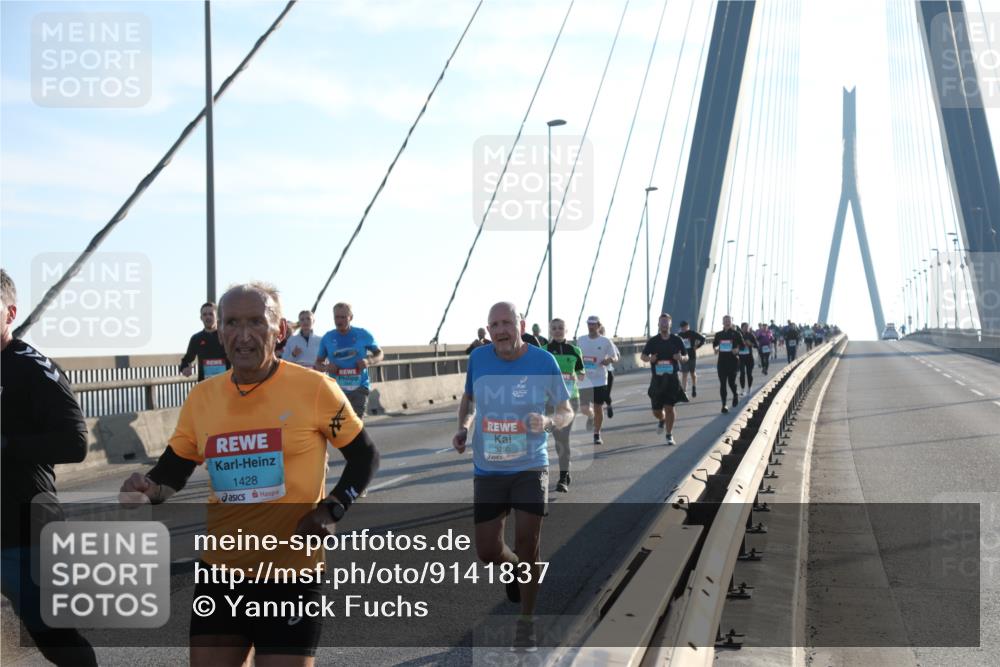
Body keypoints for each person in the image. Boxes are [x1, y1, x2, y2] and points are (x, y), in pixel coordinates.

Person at [120, 282, 379, 666]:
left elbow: (365, 457)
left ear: (281, 331)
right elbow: (173, 470)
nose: (243, 335)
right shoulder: (202, 399)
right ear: (220, 331)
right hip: (221, 575)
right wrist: (146, 488)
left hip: (291, 575)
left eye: (257, 322)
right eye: (232, 323)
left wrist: (332, 509)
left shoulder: (315, 389)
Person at [452, 302, 573, 651]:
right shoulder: (478, 359)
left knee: (528, 545)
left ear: (520, 324)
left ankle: (527, 623)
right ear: (487, 329)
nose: (501, 330)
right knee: (488, 551)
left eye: (507, 322)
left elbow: (565, 410)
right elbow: (470, 401)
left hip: (530, 465)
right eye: (494, 324)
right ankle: (516, 570)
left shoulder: (542, 361)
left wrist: (549, 422)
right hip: (488, 468)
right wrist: (463, 428)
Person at [0, 269, 98, 667]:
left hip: (25, 527)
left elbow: (75, 443)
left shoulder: (33, 368)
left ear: (10, 312)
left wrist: (6, 446)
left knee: (55, 640)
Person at [315, 302, 383, 418]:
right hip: (336, 389)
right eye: (336, 317)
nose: (339, 320)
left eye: (343, 317)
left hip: (359, 387)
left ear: (351, 318)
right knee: (339, 426)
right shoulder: (328, 337)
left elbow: (380, 354)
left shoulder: (363, 334)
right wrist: (326, 367)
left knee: (355, 424)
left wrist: (369, 361)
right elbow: (317, 364)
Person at [546, 319, 585, 493]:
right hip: (549, 401)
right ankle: (565, 472)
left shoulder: (575, 351)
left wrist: (576, 375)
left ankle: (563, 477)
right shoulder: (545, 351)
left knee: (563, 438)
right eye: (554, 328)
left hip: (570, 400)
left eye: (560, 328)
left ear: (566, 330)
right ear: (550, 331)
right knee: (557, 439)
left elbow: (581, 373)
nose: (557, 331)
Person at [640, 313, 688, 445]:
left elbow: (686, 356)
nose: (664, 325)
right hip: (657, 380)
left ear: (670, 324)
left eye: (666, 322)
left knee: (669, 407)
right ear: (658, 324)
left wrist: (681, 358)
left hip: (672, 378)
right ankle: (661, 419)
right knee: (656, 410)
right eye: (662, 322)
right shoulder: (653, 341)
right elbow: (643, 356)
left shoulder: (677, 340)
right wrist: (650, 359)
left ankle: (669, 434)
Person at [576, 315, 619, 445]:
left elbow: (616, 357)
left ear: (598, 326)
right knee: (584, 408)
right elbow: (577, 356)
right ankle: (590, 416)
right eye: (589, 324)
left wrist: (609, 360)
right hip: (584, 379)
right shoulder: (581, 340)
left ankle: (597, 433)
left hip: (600, 379)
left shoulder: (605, 341)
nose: (591, 326)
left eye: (593, 324)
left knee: (598, 407)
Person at [180, 302, 230, 381]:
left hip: (225, 384)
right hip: (204, 385)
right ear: (201, 318)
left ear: (217, 317)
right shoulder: (196, 338)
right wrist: (184, 368)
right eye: (205, 314)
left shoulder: (226, 336)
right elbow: (187, 359)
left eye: (211, 314)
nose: (208, 317)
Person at [713, 315, 744, 414]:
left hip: (733, 362)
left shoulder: (736, 334)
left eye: (728, 320)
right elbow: (715, 345)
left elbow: (743, 346)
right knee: (722, 384)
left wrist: (737, 350)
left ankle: (735, 394)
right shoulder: (719, 334)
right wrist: (716, 349)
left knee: (731, 383)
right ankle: (724, 405)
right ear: (722, 322)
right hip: (721, 362)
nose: (727, 322)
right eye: (725, 320)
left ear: (731, 322)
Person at [676, 320, 706, 397]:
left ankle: (694, 387)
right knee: (684, 374)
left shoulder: (692, 333)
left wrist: (697, 347)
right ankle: (684, 392)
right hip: (683, 357)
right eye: (682, 327)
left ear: (688, 326)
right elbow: (676, 345)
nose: (684, 328)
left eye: (685, 327)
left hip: (692, 356)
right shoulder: (679, 335)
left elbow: (703, 339)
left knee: (692, 373)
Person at [597, 325, 621, 417]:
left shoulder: (609, 343)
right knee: (594, 398)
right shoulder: (589, 343)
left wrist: (610, 360)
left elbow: (617, 356)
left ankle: (609, 405)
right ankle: (592, 415)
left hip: (608, 372)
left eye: (601, 332)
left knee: (605, 395)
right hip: (594, 374)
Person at [737, 322, 758, 394]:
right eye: (745, 327)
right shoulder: (738, 335)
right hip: (741, 357)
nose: (746, 328)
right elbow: (733, 344)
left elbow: (756, 345)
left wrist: (751, 344)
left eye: (747, 327)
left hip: (749, 357)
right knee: (742, 373)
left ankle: (749, 387)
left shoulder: (751, 335)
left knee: (749, 374)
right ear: (742, 328)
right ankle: (742, 389)